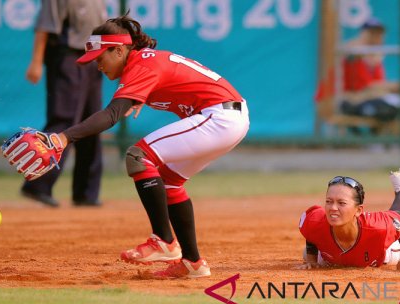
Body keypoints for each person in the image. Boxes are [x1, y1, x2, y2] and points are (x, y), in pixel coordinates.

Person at [40, 13, 249, 278]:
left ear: (118, 50)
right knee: (169, 181)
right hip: (229, 116)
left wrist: (64, 137)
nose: (98, 67)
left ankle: (164, 241)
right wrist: (139, 98)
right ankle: (193, 263)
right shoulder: (142, 62)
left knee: (138, 156)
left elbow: (111, 115)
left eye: (100, 58)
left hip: (219, 117)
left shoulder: (140, 65)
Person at [21, 0, 107, 207]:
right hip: (68, 56)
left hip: (93, 58)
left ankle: (86, 192)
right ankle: (38, 185)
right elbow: (45, 26)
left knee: (92, 122)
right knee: (64, 119)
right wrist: (36, 62)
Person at [298, 168, 400, 269]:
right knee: (306, 254)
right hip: (334, 256)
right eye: (329, 201)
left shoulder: (379, 227)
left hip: (379, 252)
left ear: (359, 210)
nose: (333, 208)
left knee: (395, 219)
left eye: (341, 203)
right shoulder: (315, 220)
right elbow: (312, 230)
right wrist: (311, 259)